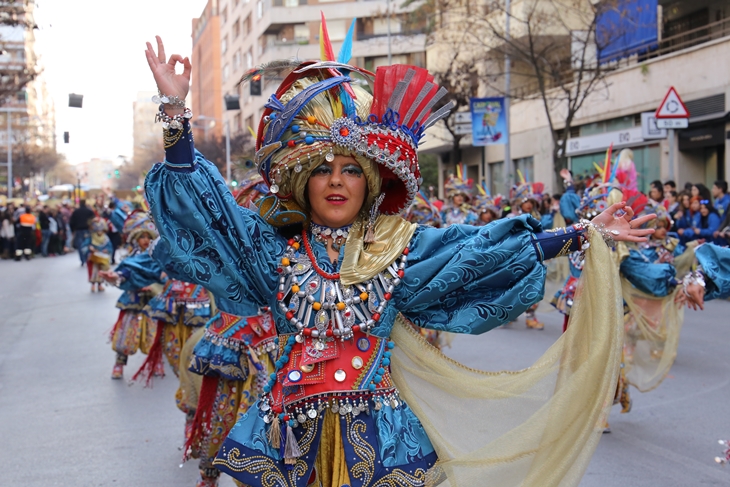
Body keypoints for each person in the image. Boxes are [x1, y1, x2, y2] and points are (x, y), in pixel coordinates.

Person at [144, 32, 654, 487]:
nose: (337, 180)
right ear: (304, 182)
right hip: (286, 436)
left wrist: (577, 235)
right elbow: (208, 210)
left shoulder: (400, 246)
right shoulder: (273, 253)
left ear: (370, 182)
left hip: (379, 440)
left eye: (351, 169)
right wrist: (174, 111)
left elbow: (479, 251)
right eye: (323, 169)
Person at [99, 211, 164, 379]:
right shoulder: (131, 259)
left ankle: (156, 363)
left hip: (153, 301)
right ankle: (119, 365)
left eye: (148, 236)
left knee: (155, 334)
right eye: (141, 237)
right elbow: (125, 273)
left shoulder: (160, 257)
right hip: (133, 300)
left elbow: (164, 276)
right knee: (125, 334)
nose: (145, 240)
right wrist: (115, 277)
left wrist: (155, 285)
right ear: (135, 239)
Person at [81, 217, 113, 292]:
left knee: (101, 271)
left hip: (102, 258)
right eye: (98, 230)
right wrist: (89, 248)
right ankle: (92, 284)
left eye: (101, 230)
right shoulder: (91, 237)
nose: (99, 232)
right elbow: (84, 246)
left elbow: (110, 247)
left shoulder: (106, 238)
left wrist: (107, 250)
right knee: (93, 271)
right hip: (93, 258)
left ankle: (100, 284)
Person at [69, 199, 96, 265]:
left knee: (80, 245)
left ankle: (82, 259)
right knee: (87, 244)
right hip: (87, 229)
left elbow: (71, 222)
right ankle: (87, 257)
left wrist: (73, 230)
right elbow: (94, 220)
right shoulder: (89, 211)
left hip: (78, 230)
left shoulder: (76, 212)